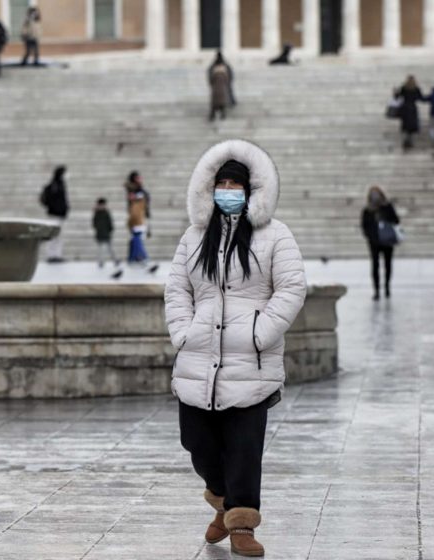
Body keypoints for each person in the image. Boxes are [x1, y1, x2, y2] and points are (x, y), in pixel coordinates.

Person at [164, 139, 306, 558]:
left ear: (251, 191)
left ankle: (242, 524)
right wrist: (183, 332)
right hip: (198, 357)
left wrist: (261, 332)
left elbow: (292, 287)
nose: (228, 190)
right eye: (222, 183)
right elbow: (177, 288)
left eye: (236, 184)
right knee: (196, 442)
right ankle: (223, 502)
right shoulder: (194, 237)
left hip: (251, 361)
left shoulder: (275, 235)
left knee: (245, 446)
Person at [360, 186, 400, 300]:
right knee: (375, 265)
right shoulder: (367, 210)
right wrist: (370, 236)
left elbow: (396, 220)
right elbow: (364, 225)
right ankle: (376, 290)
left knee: (387, 265)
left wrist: (385, 218)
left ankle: (387, 287)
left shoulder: (387, 207)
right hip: (374, 242)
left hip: (387, 241)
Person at [124, 171, 158, 272]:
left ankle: (132, 259)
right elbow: (135, 205)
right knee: (137, 239)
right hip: (136, 218)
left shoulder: (138, 190)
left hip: (138, 217)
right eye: (138, 178)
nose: (141, 179)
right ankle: (145, 258)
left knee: (135, 239)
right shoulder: (134, 191)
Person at [39, 165, 70, 263]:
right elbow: (52, 200)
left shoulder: (61, 184)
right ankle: (51, 255)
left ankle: (57, 255)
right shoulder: (54, 185)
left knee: (59, 236)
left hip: (60, 214)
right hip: (54, 214)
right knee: (52, 236)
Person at [397, 75, 424, 150]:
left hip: (405, 108)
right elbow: (421, 98)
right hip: (412, 108)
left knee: (406, 124)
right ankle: (411, 140)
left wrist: (395, 93)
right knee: (412, 125)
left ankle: (406, 139)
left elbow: (398, 97)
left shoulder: (404, 88)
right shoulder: (416, 89)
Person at [92, 197, 119, 269]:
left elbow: (110, 223)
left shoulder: (106, 213)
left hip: (106, 233)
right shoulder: (96, 213)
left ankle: (115, 260)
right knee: (100, 249)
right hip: (100, 233)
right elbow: (94, 223)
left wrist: (110, 230)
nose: (101, 206)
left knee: (110, 248)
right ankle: (101, 261)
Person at [208, 53, 232, 122]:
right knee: (222, 103)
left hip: (216, 89)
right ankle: (222, 114)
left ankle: (213, 115)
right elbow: (228, 78)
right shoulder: (225, 68)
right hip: (222, 89)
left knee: (215, 103)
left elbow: (211, 79)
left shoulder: (214, 67)